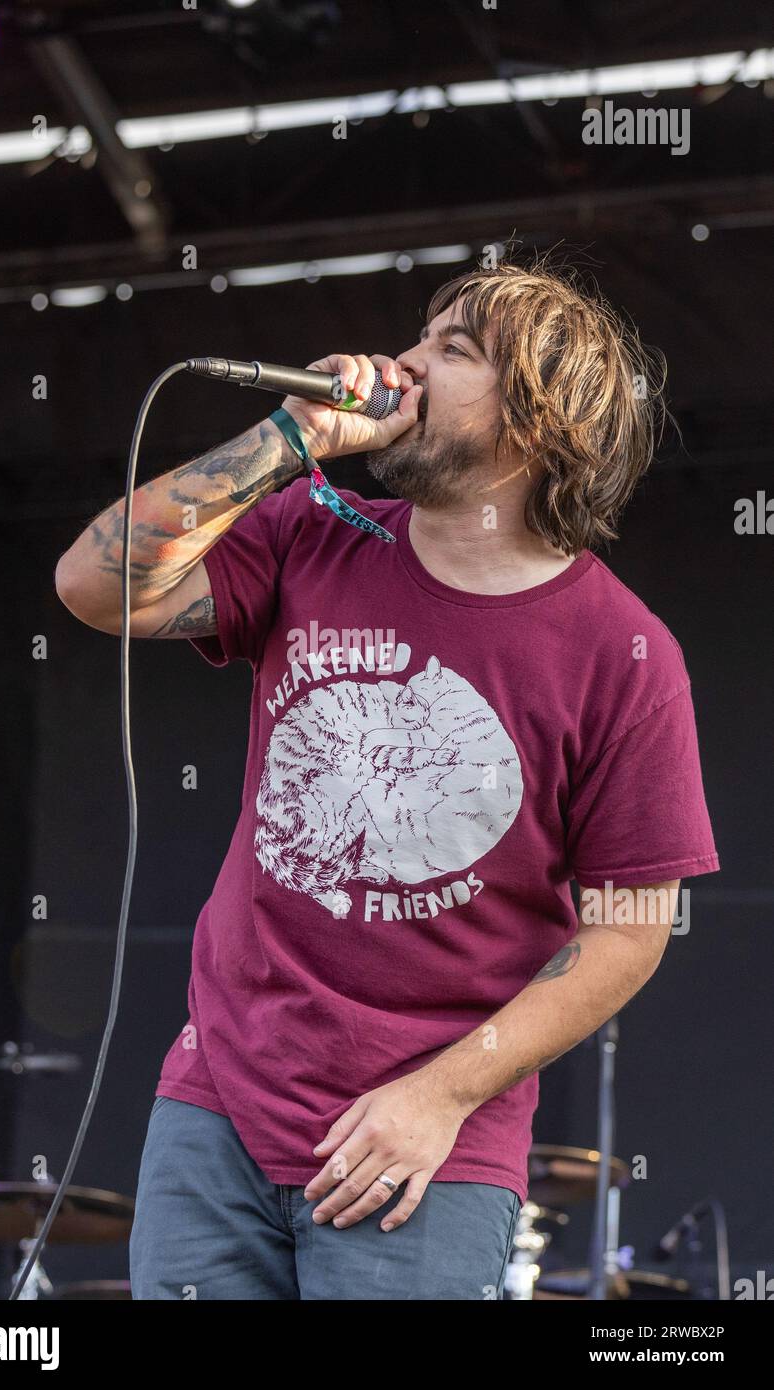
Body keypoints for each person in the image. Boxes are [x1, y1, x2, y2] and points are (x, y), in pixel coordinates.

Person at [55, 257, 720, 1300]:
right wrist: (287, 440)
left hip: (422, 1152)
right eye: (418, 335)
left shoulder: (619, 652)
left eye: (452, 350)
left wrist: (441, 1095)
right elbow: (94, 585)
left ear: (539, 423)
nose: (401, 364)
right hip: (217, 1101)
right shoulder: (310, 537)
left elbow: (632, 927)